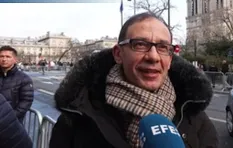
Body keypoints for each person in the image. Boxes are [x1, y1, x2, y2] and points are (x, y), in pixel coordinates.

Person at [49, 12, 219, 148]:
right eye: (140, 44)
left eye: (163, 47)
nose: (153, 57)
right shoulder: (78, 117)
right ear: (118, 54)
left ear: (170, 59)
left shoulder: (196, 118)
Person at [0, 46, 34, 123]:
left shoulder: (24, 79)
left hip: (11, 124)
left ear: (15, 60)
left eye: (8, 56)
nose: (4, 59)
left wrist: (10, 118)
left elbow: (26, 101)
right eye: (1, 56)